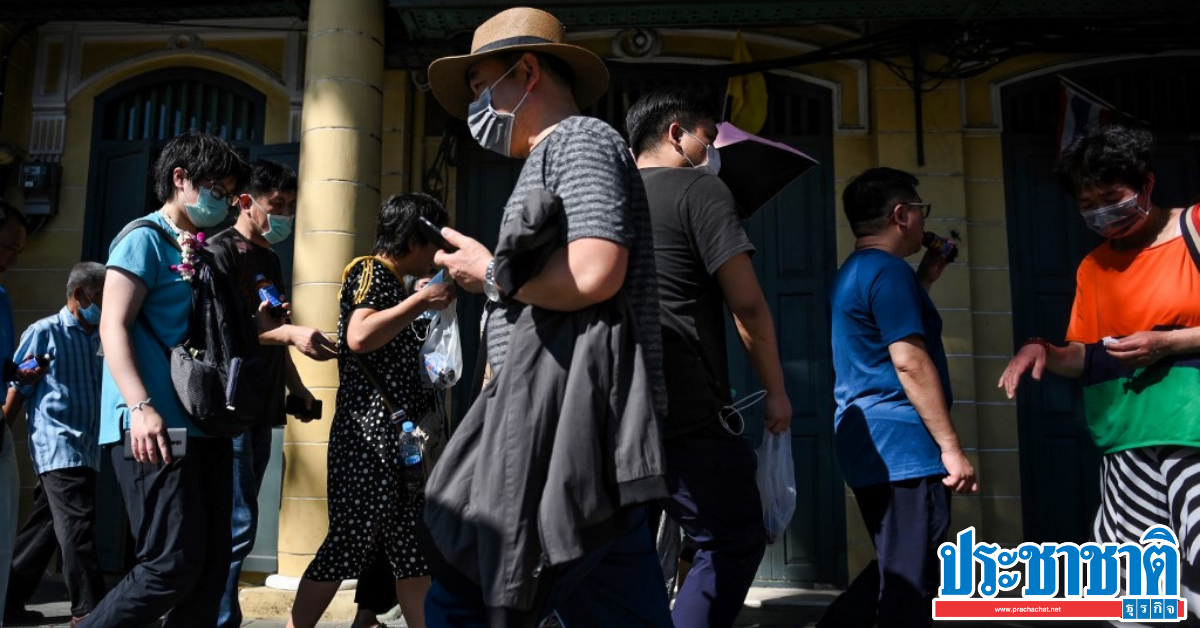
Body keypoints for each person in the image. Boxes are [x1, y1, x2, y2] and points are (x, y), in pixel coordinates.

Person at [423, 7, 672, 627]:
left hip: (564, 426)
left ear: (527, 71)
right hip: (568, 420)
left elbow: (594, 271)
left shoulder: (578, 140)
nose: (476, 103)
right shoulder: (552, 155)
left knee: (466, 591)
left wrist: (488, 272)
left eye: (482, 84)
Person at [999, 125, 1200, 618]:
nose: (1100, 213)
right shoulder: (1092, 266)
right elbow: (1086, 354)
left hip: (1194, 433)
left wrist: (1168, 342)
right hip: (1126, 443)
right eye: (1087, 204)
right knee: (1136, 593)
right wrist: (1040, 348)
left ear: (1146, 185)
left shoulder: (1196, 227)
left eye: (1110, 197)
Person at [626, 88, 792, 628]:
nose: (713, 148)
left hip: (607, 402)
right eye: (710, 135)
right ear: (678, 134)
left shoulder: (604, 194)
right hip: (684, 403)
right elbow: (747, 305)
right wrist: (777, 392)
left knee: (623, 553)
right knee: (732, 538)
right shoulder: (700, 187)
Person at [87, 131, 249, 628]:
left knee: (209, 571)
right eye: (216, 189)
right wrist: (140, 407)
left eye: (229, 191)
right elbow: (111, 324)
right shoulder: (142, 239)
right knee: (169, 564)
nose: (223, 201)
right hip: (154, 428)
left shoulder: (201, 250)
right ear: (180, 180)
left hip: (206, 427)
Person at [285, 193, 454, 628]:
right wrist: (420, 302)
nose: (437, 256)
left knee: (410, 550)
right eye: (433, 243)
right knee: (346, 543)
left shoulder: (390, 280)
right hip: (370, 440)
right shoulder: (371, 270)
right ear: (414, 238)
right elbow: (359, 336)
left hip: (392, 442)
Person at [819, 167, 977, 628]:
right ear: (902, 214)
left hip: (868, 439)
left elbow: (875, 338)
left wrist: (924, 281)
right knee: (913, 580)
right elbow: (908, 361)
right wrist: (951, 449)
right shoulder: (888, 272)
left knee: (903, 564)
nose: (924, 222)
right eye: (920, 211)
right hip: (904, 445)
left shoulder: (855, 271)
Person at [207, 159, 338, 628]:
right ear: (246, 202)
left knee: (242, 519)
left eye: (289, 207)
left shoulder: (270, 258)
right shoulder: (220, 252)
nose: (283, 216)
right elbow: (226, 335)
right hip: (230, 406)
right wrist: (290, 336)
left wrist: (297, 386)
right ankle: (219, 618)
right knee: (236, 523)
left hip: (263, 406)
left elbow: (275, 329)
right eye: (275, 206)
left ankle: (220, 614)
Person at [4, 263, 107, 626]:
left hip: (87, 446)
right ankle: (90, 610)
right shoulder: (44, 332)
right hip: (58, 444)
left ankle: (7, 599)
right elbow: (19, 383)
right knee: (78, 523)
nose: (106, 305)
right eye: (102, 296)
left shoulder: (98, 336)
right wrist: (4, 424)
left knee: (46, 527)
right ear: (80, 295)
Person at [0, 200, 43, 628]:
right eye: (8, 248)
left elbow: (4, 365)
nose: (13, 259)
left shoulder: (2, 297)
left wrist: (18, 372)